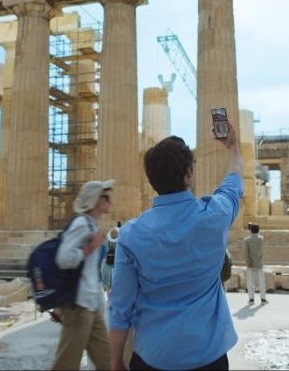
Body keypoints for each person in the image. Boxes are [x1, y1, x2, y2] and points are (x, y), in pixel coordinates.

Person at [108, 122, 243, 371]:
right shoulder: (216, 215)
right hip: (209, 357)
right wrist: (233, 147)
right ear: (189, 174)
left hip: (154, 357)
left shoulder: (130, 234)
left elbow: (120, 306)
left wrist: (116, 361)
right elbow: (233, 182)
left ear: (151, 181)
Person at [52, 179, 114, 370]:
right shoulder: (81, 223)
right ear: (95, 200)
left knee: (108, 362)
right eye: (106, 197)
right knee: (67, 364)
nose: (110, 201)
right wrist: (89, 248)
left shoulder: (93, 225)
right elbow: (62, 259)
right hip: (79, 307)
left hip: (92, 306)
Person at [244, 222, 267, 305]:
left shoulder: (247, 240)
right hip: (259, 263)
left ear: (250, 230)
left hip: (250, 263)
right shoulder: (261, 239)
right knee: (261, 281)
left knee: (250, 282)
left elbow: (246, 253)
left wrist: (248, 262)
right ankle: (263, 299)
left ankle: (251, 299)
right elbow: (258, 234)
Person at [102, 222, 121, 292]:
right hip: (116, 265)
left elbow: (105, 253)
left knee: (108, 284)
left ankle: (108, 299)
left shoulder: (107, 243)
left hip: (108, 265)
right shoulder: (119, 244)